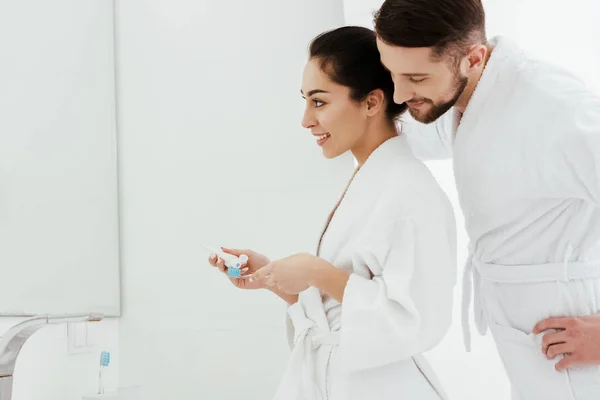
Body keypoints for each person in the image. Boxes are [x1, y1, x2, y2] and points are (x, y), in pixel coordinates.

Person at [208, 26, 457, 400]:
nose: (306, 120)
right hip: (341, 380)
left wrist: (314, 271)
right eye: (306, 101)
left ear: (372, 102)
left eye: (319, 102)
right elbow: (343, 307)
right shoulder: (371, 180)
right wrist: (277, 277)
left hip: (385, 386)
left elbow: (416, 320)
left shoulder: (409, 190)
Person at [373, 0, 600, 398]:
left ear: (473, 58)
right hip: (526, 334)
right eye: (391, 72)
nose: (399, 93)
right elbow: (425, 137)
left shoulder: (557, 110)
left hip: (574, 340)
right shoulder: (469, 95)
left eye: (416, 78)